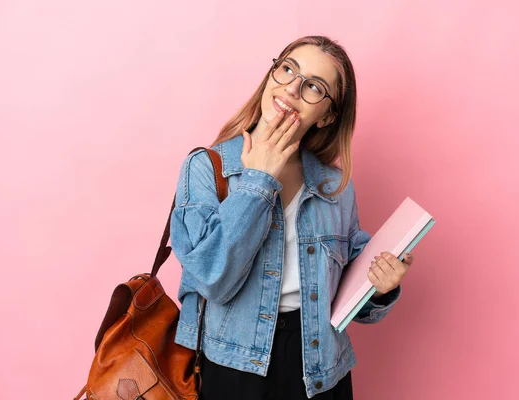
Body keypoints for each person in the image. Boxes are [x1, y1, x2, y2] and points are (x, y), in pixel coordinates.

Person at [170, 35, 416, 400]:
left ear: (328, 115)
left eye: (314, 86)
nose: (292, 89)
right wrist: (258, 182)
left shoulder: (335, 186)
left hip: (320, 369)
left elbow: (349, 298)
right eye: (287, 69)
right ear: (271, 74)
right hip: (236, 369)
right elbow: (211, 280)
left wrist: (382, 288)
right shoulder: (208, 167)